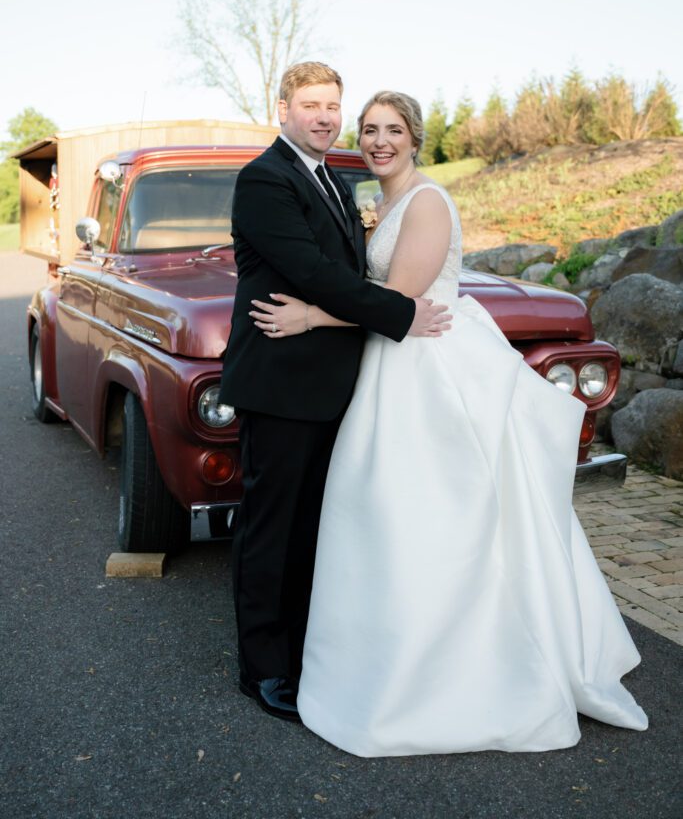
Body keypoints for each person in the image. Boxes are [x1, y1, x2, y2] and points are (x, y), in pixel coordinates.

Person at [249, 90, 649, 755]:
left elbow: (399, 297)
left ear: (415, 138)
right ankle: (383, 652)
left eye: (392, 130)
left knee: (433, 516)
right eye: (370, 129)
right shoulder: (381, 203)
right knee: (388, 519)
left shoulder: (428, 201)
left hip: (424, 372)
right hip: (390, 367)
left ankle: (453, 669)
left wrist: (312, 317)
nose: (379, 141)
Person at [219, 64, 451, 723]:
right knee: (271, 530)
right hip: (282, 383)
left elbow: (343, 271)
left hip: (335, 385)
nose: (322, 117)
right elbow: (314, 271)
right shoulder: (266, 178)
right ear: (283, 110)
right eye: (310, 105)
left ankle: (301, 654)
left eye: (331, 107)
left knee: (312, 531)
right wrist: (401, 315)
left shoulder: (332, 180)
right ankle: (262, 670)